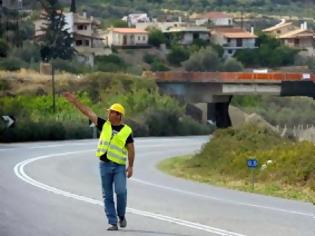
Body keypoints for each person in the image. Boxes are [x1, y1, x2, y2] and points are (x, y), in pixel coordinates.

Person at [63, 92, 135, 231]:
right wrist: (75, 102)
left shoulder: (127, 131)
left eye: (112, 112)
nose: (109, 114)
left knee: (121, 192)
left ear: (119, 115)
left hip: (119, 167)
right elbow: (88, 112)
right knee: (107, 195)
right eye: (109, 112)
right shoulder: (104, 125)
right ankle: (112, 222)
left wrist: (130, 166)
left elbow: (131, 149)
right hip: (104, 166)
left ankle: (121, 215)